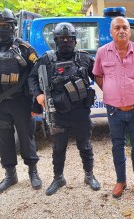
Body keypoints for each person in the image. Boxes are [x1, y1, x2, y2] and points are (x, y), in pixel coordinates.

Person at [0, 8, 42, 194]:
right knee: (3, 140)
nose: (3, 28)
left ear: (13, 26)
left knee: (26, 139)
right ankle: (10, 175)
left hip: (21, 103)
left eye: (7, 25)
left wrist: (36, 102)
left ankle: (33, 172)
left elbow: (36, 76)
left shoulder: (25, 49)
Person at [28, 22, 100, 196]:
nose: (66, 41)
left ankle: (89, 175)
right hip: (58, 113)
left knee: (85, 146)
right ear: (56, 41)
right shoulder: (47, 59)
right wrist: (38, 94)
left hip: (80, 111)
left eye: (69, 39)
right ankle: (58, 177)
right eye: (62, 39)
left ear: (75, 41)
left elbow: (100, 76)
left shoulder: (84, 58)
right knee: (58, 147)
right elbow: (32, 78)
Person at [93, 16, 134, 198]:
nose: (121, 31)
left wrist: (133, 91)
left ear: (129, 30)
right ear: (111, 32)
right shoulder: (102, 52)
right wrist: (112, 91)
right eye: (117, 28)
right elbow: (98, 75)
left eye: (125, 27)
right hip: (114, 110)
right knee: (117, 145)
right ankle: (121, 180)